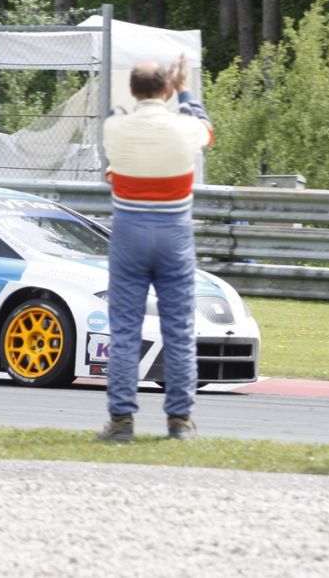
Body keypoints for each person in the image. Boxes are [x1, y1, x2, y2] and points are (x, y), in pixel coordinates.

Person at [96, 54, 213, 442]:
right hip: (173, 232)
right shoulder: (185, 126)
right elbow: (206, 129)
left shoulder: (114, 126)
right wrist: (185, 93)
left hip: (129, 232)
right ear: (166, 88)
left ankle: (121, 421)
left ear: (133, 91)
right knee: (179, 329)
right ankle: (180, 421)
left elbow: (113, 148)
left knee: (125, 331)